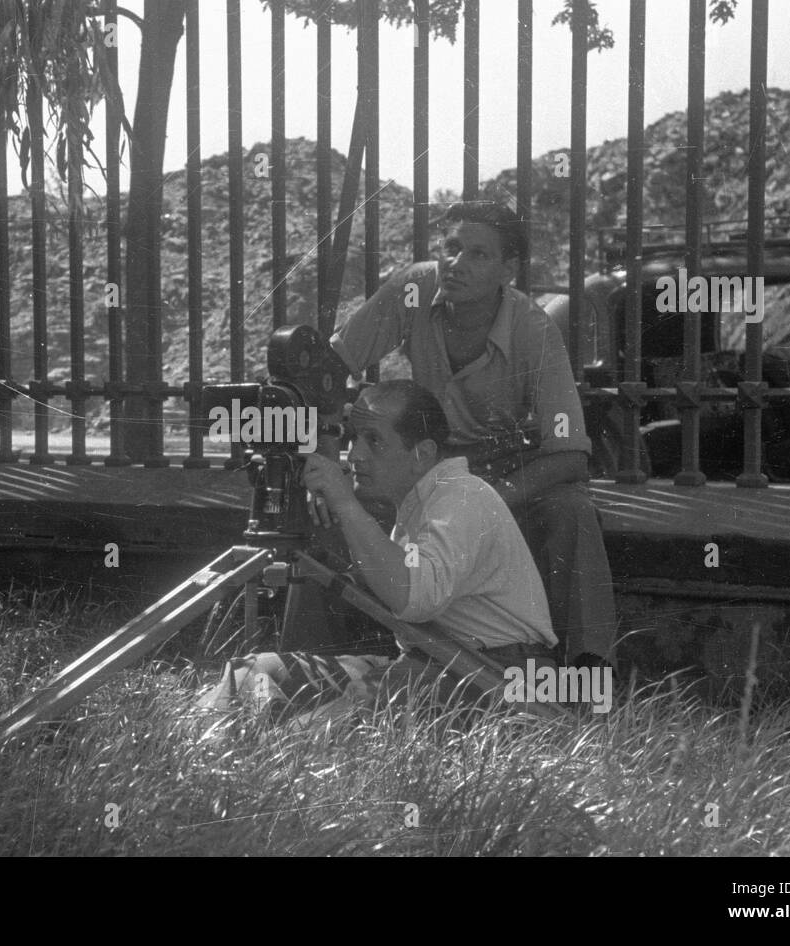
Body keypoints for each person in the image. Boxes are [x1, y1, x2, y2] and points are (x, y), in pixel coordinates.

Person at [313, 201, 616, 667]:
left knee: (572, 513)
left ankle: (586, 682)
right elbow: (328, 372)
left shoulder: (533, 328)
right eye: (451, 248)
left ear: (508, 270)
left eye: (478, 255)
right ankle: (330, 655)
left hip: (512, 466)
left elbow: (570, 453)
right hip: (432, 464)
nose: (456, 264)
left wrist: (485, 502)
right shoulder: (413, 288)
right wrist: (331, 459)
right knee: (333, 510)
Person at [197, 380, 556, 720]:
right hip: (434, 662)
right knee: (252, 672)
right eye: (354, 438)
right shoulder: (420, 499)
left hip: (498, 676)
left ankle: (272, 741)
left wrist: (345, 503)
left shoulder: (462, 496)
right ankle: (220, 737)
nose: (356, 455)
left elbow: (416, 598)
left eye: (374, 441)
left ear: (423, 453)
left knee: (314, 732)